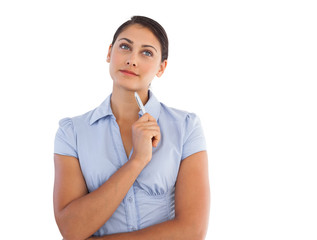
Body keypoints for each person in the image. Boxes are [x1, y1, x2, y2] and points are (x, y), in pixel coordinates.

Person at [53, 16, 210, 240]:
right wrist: (137, 161)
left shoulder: (186, 128)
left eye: (147, 52)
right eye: (125, 47)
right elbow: (71, 229)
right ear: (109, 53)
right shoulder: (72, 132)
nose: (132, 60)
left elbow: (192, 231)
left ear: (161, 68)